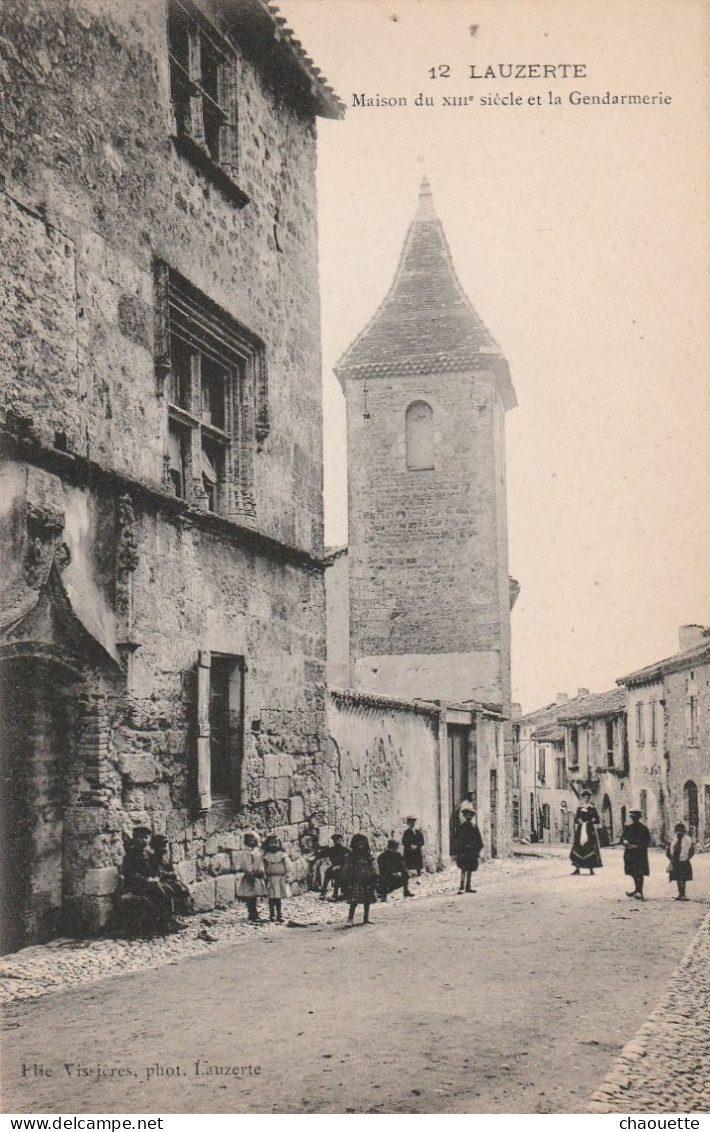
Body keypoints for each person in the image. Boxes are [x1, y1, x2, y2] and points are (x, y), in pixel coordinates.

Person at [121, 826, 174, 931]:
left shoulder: (149, 854)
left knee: (167, 888)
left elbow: (155, 869)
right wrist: (145, 880)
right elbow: (130, 873)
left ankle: (169, 919)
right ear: (135, 838)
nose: (144, 840)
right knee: (158, 888)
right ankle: (164, 922)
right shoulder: (130, 854)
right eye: (140, 837)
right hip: (135, 885)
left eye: (146, 837)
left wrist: (155, 877)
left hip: (149, 883)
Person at [150, 834, 192, 918]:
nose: (165, 847)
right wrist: (169, 874)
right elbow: (157, 873)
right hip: (161, 881)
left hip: (169, 879)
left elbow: (171, 869)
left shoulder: (165, 857)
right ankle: (171, 916)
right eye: (162, 845)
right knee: (170, 890)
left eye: (165, 845)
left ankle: (182, 912)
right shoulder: (153, 858)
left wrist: (174, 875)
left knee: (183, 888)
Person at [343, 834, 378, 926]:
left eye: (362, 844)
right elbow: (347, 869)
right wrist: (348, 880)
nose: (360, 847)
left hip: (367, 881)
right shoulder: (351, 857)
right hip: (356, 881)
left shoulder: (368, 856)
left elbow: (373, 866)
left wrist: (375, 875)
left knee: (368, 900)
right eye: (358, 845)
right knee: (354, 901)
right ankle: (350, 919)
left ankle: (366, 918)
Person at [236, 832, 267, 923]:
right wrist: (250, 874)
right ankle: (252, 914)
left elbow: (260, 862)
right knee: (251, 897)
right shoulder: (247, 853)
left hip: (258, 875)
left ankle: (254, 913)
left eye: (253, 840)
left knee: (255, 896)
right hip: (251, 876)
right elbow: (246, 864)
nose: (252, 842)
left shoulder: (257, 851)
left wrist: (262, 871)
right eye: (249, 840)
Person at [570, 791, 603, 875]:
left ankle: (591, 869)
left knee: (590, 848)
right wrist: (579, 820)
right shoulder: (580, 808)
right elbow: (576, 818)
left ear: (589, 798)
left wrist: (592, 820)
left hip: (589, 829)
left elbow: (597, 819)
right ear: (583, 798)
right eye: (585, 797)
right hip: (581, 830)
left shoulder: (592, 808)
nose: (586, 799)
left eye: (588, 797)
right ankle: (577, 868)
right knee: (579, 847)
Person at [621, 809, 651, 899]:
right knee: (632, 872)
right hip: (629, 853)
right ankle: (637, 889)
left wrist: (637, 846)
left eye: (635, 817)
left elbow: (647, 841)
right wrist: (624, 841)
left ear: (639, 817)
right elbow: (622, 838)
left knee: (639, 872)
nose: (633, 819)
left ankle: (640, 891)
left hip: (639, 854)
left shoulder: (644, 828)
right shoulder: (628, 828)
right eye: (632, 817)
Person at [263, 834, 291, 923]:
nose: (274, 845)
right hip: (271, 878)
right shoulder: (266, 856)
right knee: (271, 898)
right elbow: (263, 867)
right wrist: (264, 875)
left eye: (276, 843)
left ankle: (279, 915)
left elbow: (288, 866)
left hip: (280, 878)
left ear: (280, 844)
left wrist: (288, 875)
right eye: (271, 843)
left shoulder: (282, 855)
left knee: (278, 898)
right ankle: (272, 915)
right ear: (268, 845)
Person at [456, 810, 484, 893]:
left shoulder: (474, 827)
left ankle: (468, 886)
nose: (468, 817)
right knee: (464, 868)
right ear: (464, 816)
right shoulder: (461, 827)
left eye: (470, 815)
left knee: (470, 868)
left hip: (472, 851)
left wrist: (474, 847)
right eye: (466, 815)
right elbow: (457, 839)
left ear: (472, 817)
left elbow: (478, 840)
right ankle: (461, 887)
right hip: (464, 851)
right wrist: (462, 847)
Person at [666, 822, 695, 901]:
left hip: (684, 861)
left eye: (681, 831)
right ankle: (680, 893)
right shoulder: (673, 840)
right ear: (675, 831)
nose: (679, 832)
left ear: (684, 831)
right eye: (678, 831)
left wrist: (687, 858)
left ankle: (683, 894)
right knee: (678, 878)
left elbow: (691, 851)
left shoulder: (688, 840)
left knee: (683, 878)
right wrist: (671, 859)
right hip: (675, 862)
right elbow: (668, 851)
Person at [317, 833, 347, 901]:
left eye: (339, 840)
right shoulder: (332, 850)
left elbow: (347, 862)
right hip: (334, 868)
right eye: (335, 840)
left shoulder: (345, 850)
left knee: (338, 875)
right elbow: (322, 854)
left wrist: (339, 866)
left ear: (342, 840)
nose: (337, 842)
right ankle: (323, 892)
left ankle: (335, 894)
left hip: (343, 869)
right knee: (328, 873)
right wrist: (319, 852)